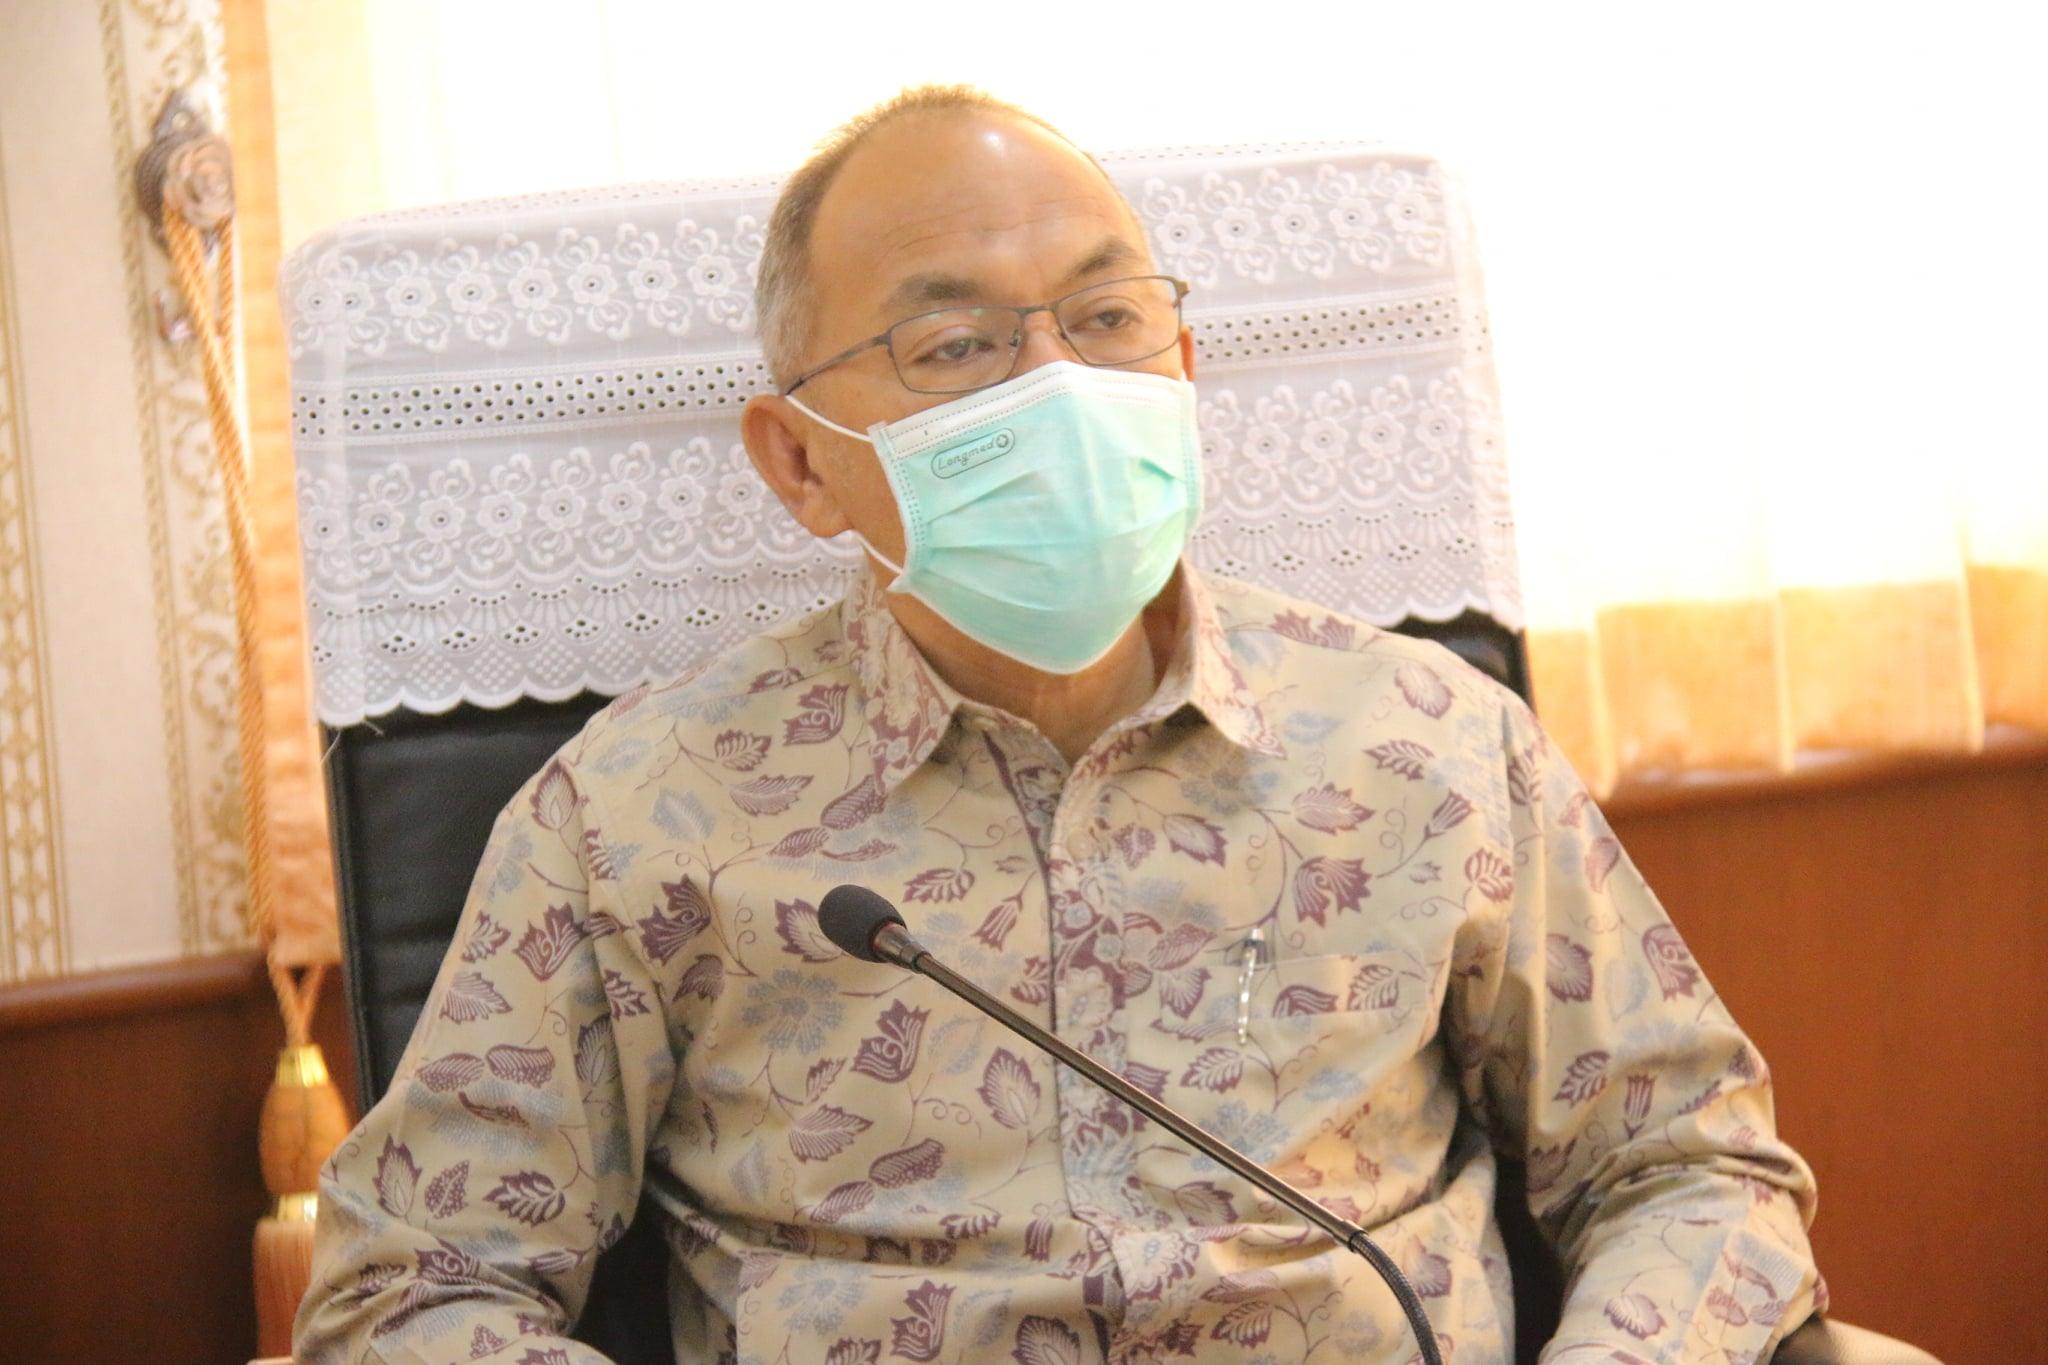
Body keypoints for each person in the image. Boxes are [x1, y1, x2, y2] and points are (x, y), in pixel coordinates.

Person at [297, 86, 1823, 1364]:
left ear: (1185, 366)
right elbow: (410, 1290)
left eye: (1106, 318)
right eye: (956, 346)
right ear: (802, 464)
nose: (1059, 388)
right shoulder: (630, 818)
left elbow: (1689, 1161)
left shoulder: (1432, 743)